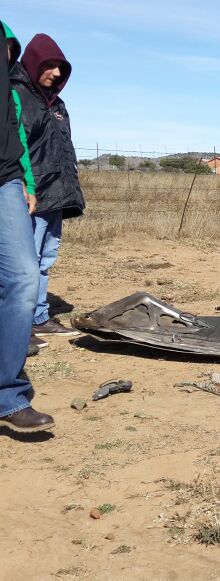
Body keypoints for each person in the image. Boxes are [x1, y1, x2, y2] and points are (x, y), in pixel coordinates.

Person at [0, 18, 54, 433]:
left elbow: (13, 130)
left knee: (23, 277)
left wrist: (26, 182)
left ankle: (8, 394)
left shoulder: (7, 43)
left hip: (5, 180)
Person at [11, 33, 84, 336]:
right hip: (30, 192)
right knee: (24, 263)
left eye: (60, 68)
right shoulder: (14, 94)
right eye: (50, 65)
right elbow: (14, 146)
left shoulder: (58, 104)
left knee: (46, 259)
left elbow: (65, 148)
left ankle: (39, 317)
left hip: (57, 192)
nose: (56, 73)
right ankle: (18, 323)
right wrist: (22, 187)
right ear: (33, 61)